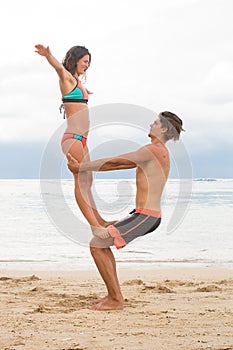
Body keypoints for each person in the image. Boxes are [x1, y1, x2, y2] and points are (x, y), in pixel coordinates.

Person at [67, 111, 185, 311]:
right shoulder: (157, 151)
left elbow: (116, 162)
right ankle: (113, 295)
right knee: (102, 241)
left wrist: (81, 167)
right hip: (142, 215)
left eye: (155, 122)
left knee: (97, 245)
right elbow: (119, 164)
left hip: (146, 216)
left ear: (164, 129)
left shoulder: (155, 149)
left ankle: (115, 299)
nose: (151, 124)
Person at [35, 44, 109, 228]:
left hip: (82, 140)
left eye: (89, 62)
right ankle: (95, 226)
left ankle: (100, 221)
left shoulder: (77, 83)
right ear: (75, 60)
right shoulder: (66, 78)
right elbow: (59, 68)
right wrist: (48, 55)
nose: (87, 65)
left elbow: (78, 92)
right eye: (85, 61)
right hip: (72, 138)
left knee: (88, 179)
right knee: (81, 179)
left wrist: (85, 90)